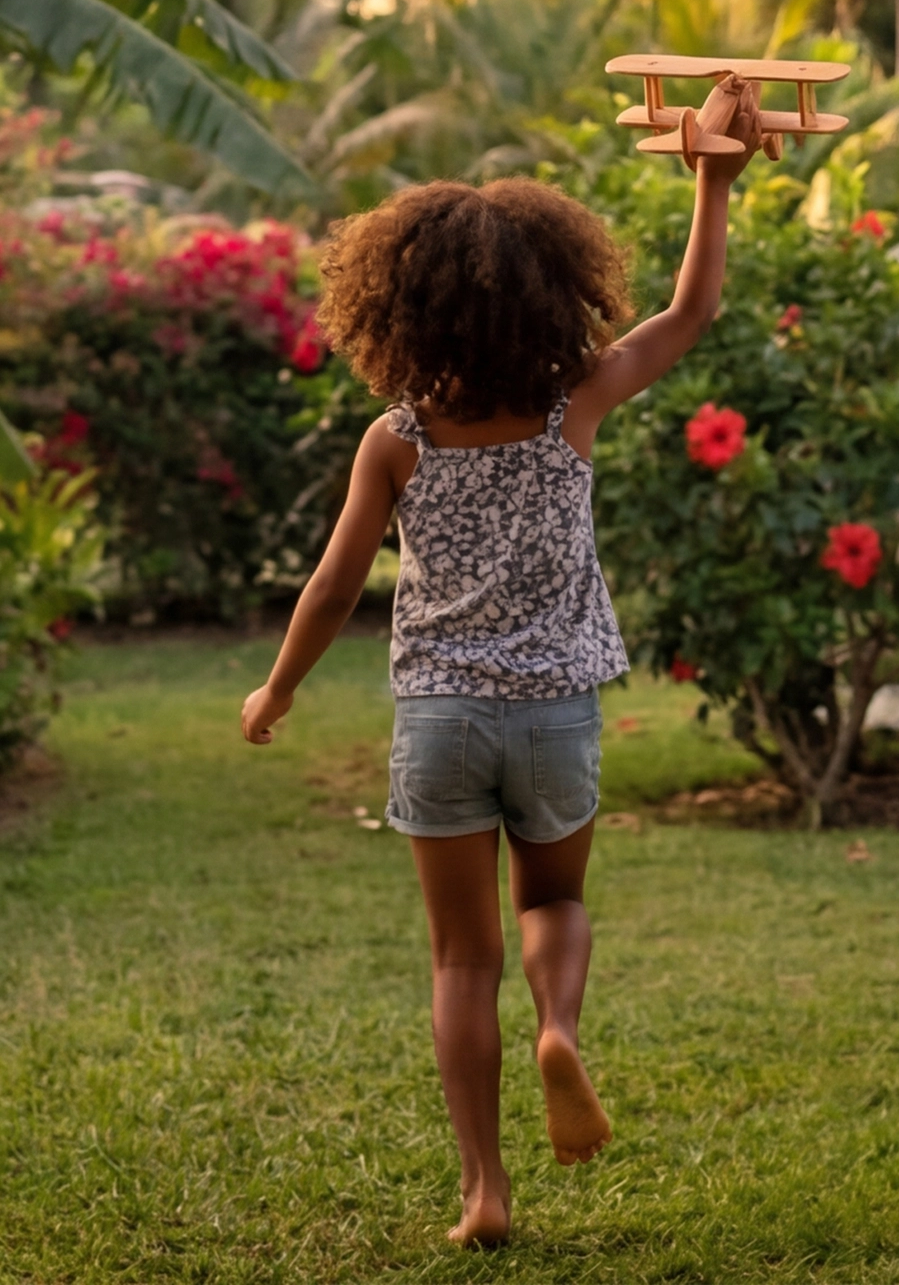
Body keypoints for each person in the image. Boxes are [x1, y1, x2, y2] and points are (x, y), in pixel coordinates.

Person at [241, 131, 754, 1247]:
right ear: (551, 292)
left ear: (400, 308)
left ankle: (485, 1191)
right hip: (556, 711)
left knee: (461, 960)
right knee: (553, 903)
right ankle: (558, 1027)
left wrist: (276, 690)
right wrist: (713, 180)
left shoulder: (398, 439)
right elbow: (689, 314)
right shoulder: (574, 403)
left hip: (440, 720)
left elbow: (333, 586)